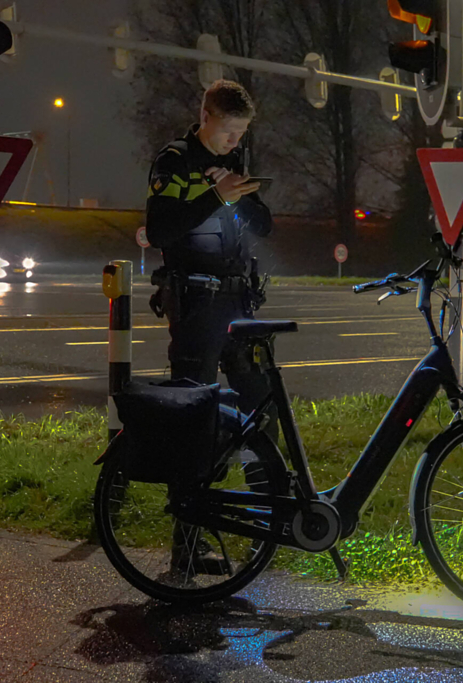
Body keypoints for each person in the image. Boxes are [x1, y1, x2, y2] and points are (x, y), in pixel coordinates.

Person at [145, 79, 276, 576]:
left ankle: (268, 517)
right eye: (229, 131)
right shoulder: (174, 160)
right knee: (193, 419)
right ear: (206, 117)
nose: (235, 142)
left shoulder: (234, 163)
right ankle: (188, 542)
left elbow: (264, 225)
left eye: (242, 133)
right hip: (196, 303)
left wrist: (242, 197)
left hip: (237, 300)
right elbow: (160, 230)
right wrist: (217, 196)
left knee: (260, 405)